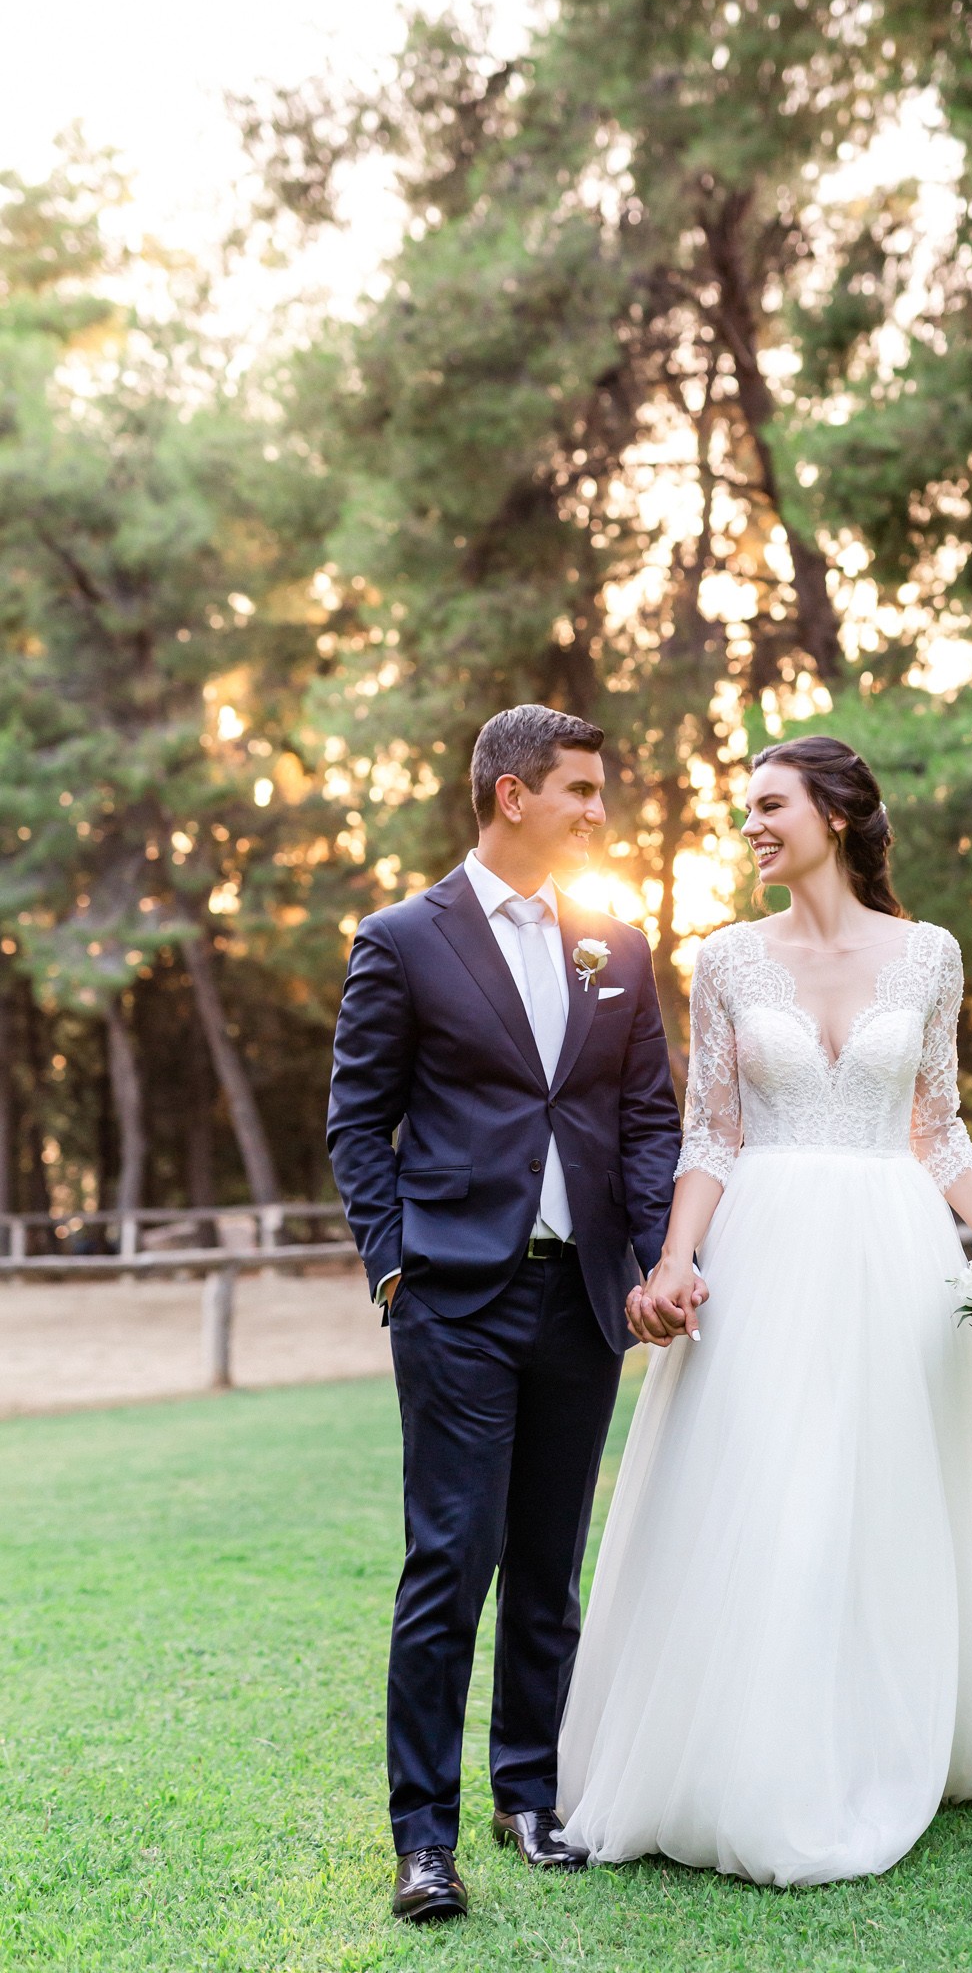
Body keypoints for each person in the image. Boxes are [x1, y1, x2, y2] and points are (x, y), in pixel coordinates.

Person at [557, 735, 972, 1886]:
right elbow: (711, 1131)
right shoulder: (725, 960)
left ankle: (893, 1725)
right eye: (744, 809)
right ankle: (765, 1755)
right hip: (766, 1251)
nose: (749, 825)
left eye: (770, 804)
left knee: (889, 1488)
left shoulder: (929, 953)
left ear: (836, 813)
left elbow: (936, 1127)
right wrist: (676, 1259)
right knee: (776, 1487)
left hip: (899, 1251)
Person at [327, 704, 685, 1922]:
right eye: (579, 788)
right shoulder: (401, 939)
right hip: (455, 1297)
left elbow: (645, 1117)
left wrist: (652, 1256)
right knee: (451, 1559)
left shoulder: (615, 943)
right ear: (511, 794)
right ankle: (422, 1837)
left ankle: (527, 1795)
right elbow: (356, 1122)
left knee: (547, 1563)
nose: (597, 809)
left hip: (581, 1297)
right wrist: (394, 1268)